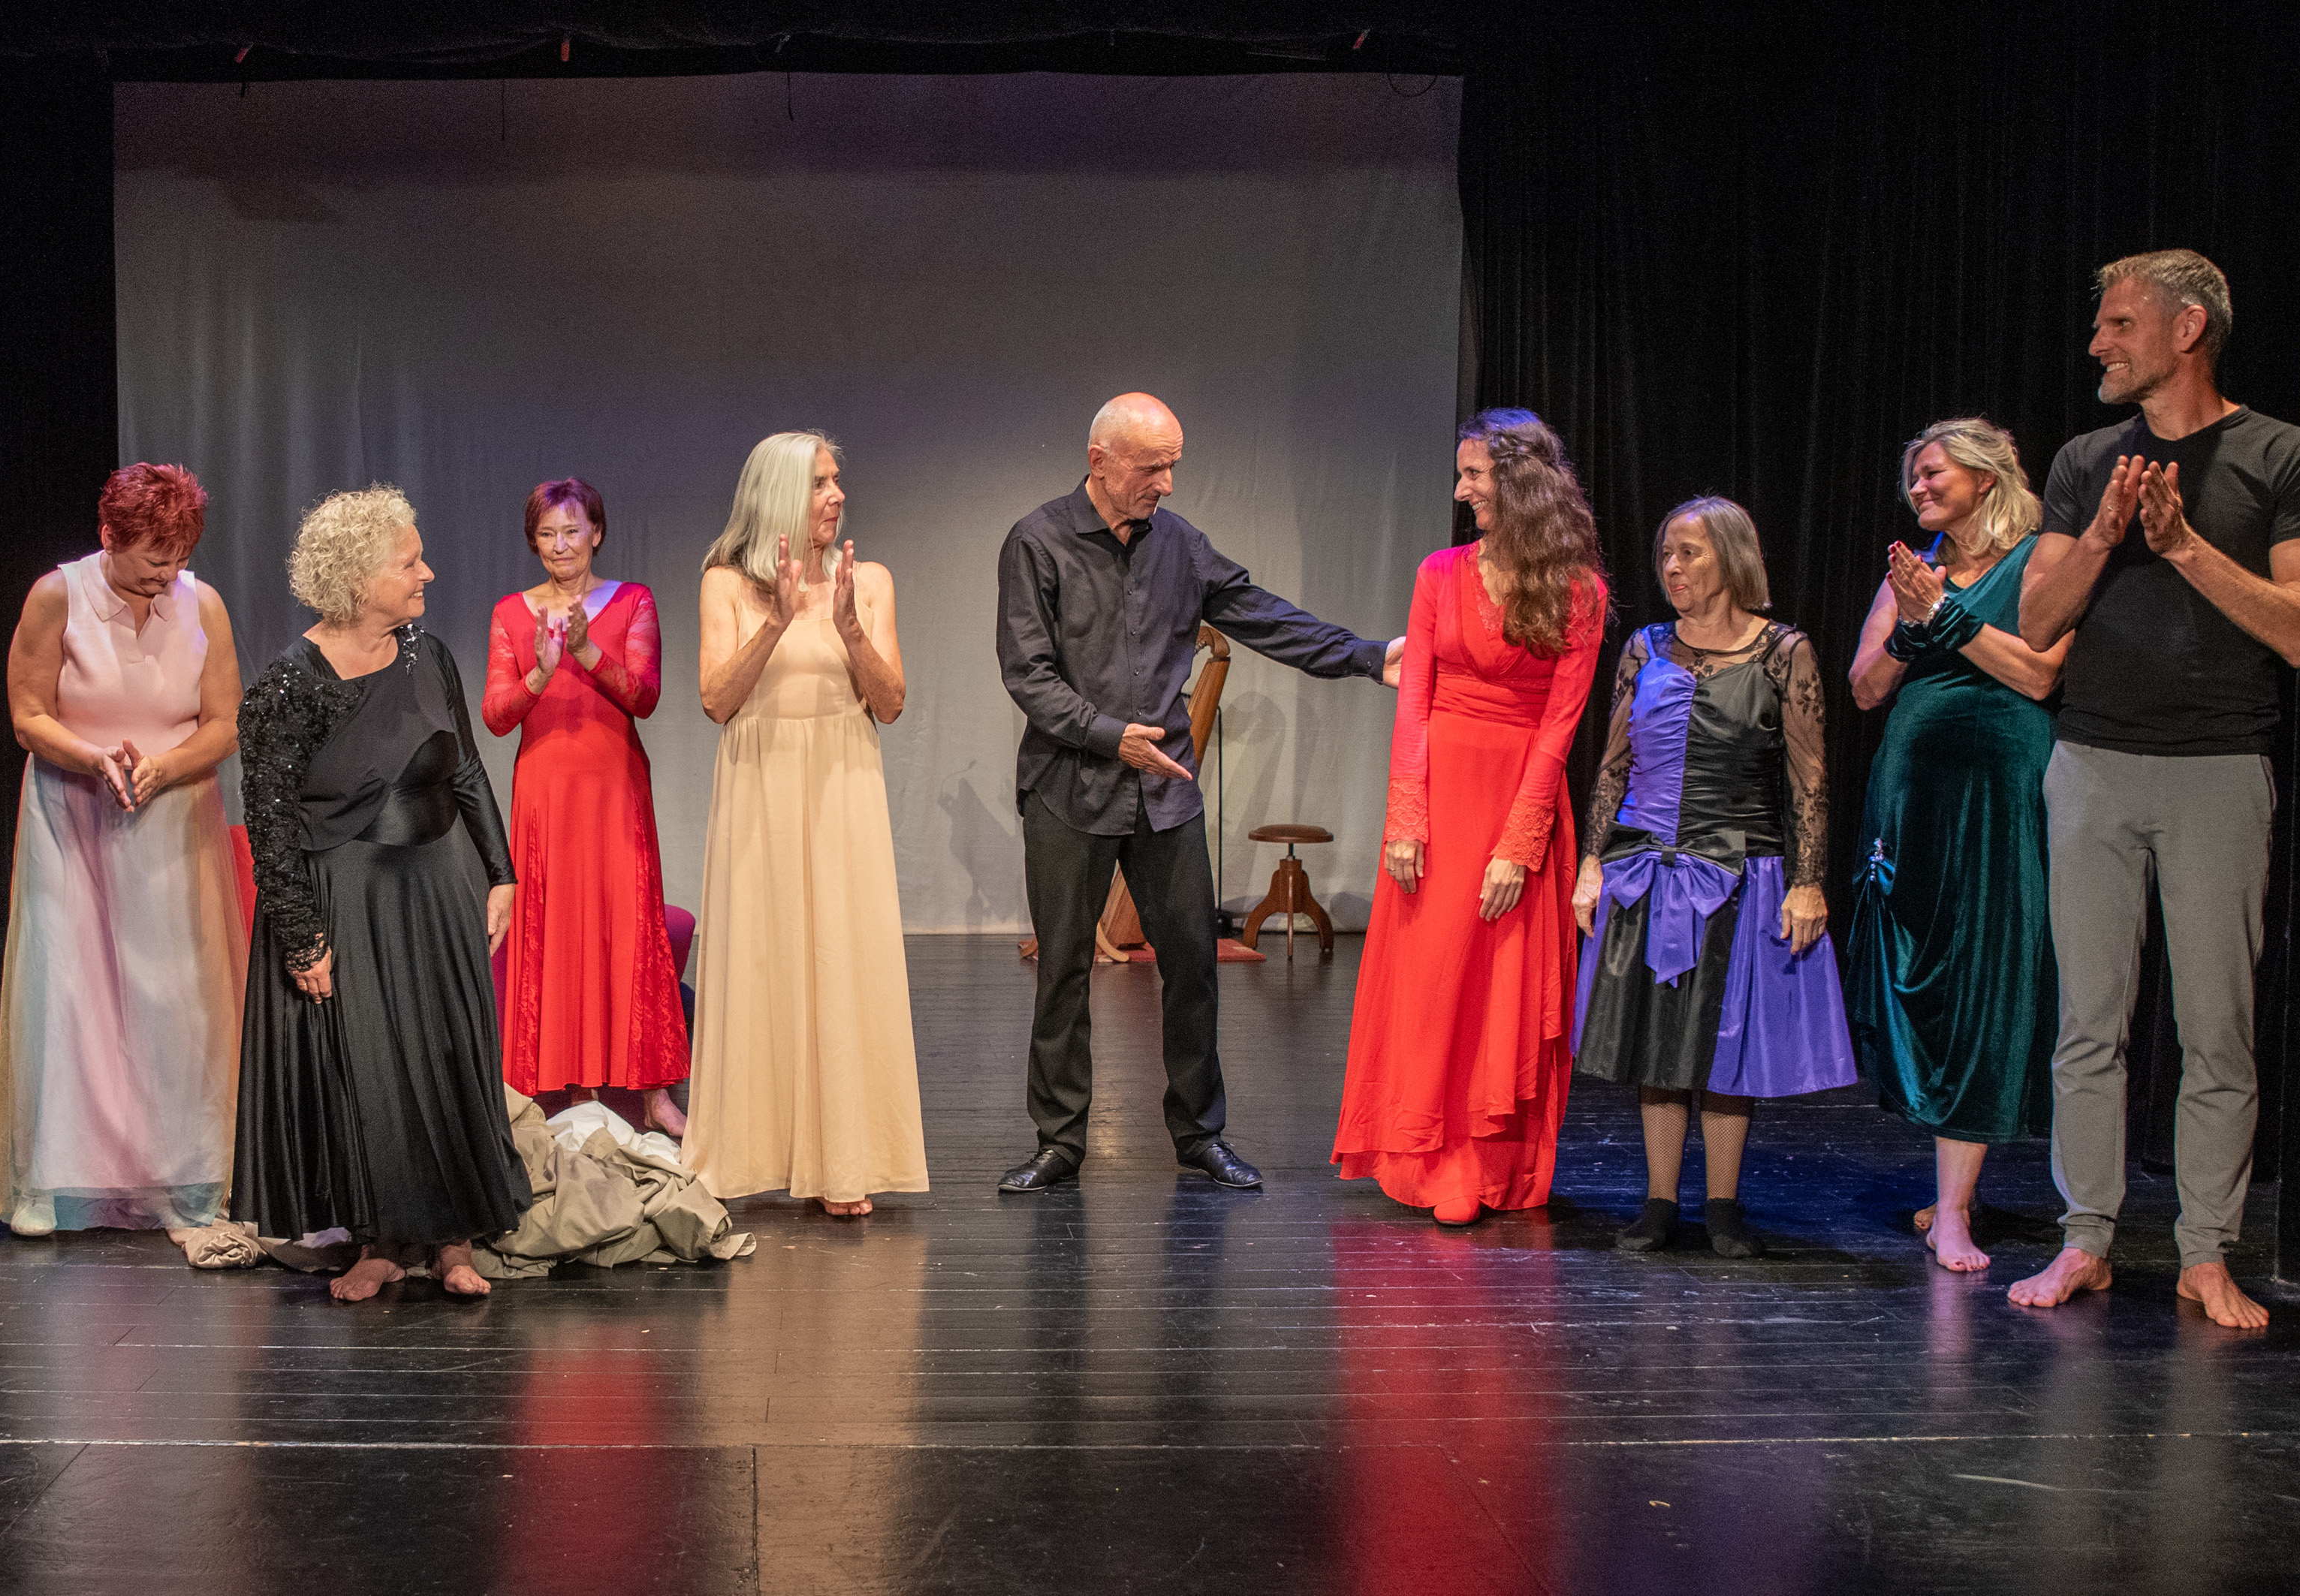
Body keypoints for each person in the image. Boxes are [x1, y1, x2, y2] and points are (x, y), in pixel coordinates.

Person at [2006, 250, 2300, 1329]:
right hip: (2091, 764)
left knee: (2216, 1029)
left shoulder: (2281, 455)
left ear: (2185, 328)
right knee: (2086, 1023)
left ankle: (2204, 1253)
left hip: (2219, 771)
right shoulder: (2084, 460)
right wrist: (2107, 532)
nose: (2095, 343)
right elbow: (2037, 622)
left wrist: (2182, 545)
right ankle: (2085, 1239)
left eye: (2116, 324)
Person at [996, 393, 1405, 1194]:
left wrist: (1364, 655)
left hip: (1165, 793)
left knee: (1191, 966)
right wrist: (1109, 734)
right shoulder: (1037, 541)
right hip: (1069, 786)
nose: (1167, 483)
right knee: (1064, 971)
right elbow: (1027, 673)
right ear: (1099, 462)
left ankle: (1199, 1133)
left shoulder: (1180, 545)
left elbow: (1259, 614)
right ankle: (1059, 1142)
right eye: (1152, 467)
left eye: (1173, 464)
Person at [233, 485, 529, 1301]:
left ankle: (454, 1239)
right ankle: (380, 1241)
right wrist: (302, 936)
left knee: (450, 1053)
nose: (426, 573)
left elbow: (465, 768)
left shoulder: (427, 655)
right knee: (369, 1069)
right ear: (359, 579)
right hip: (350, 894)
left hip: (439, 881)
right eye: (409, 563)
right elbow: (270, 824)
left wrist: (499, 870)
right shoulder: (288, 686)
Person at [1333, 408, 1607, 1225]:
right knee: (1430, 980)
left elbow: (1561, 725)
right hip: (1438, 799)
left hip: (1516, 798)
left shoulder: (1579, 592)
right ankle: (1422, 1151)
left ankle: (1485, 1160)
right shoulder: (1438, 573)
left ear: (1518, 482)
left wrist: (1519, 844)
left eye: (1473, 474)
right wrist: (1405, 818)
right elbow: (1413, 698)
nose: (1460, 491)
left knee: (1497, 985)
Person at [1572, 498, 1855, 1257]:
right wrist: (1592, 860)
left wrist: (1808, 879)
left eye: (1689, 553)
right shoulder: (1643, 647)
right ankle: (1659, 1201)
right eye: (1666, 553)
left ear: (1730, 558)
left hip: (1742, 872)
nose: (1671, 567)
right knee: (1657, 1047)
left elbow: (1809, 777)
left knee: (1728, 1048)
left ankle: (1723, 1205)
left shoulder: (1782, 650)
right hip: (1648, 871)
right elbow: (1613, 763)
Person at [0, 462, 246, 1236]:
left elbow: (224, 722)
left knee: (175, 996)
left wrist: (164, 767)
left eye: (178, 558)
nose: (165, 575)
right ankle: (55, 1178)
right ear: (109, 535)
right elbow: (28, 713)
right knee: (70, 990)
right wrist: (92, 758)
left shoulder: (202, 603)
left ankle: (181, 1170)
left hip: (173, 813)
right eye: (150, 560)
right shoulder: (57, 594)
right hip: (74, 810)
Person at [683, 431, 924, 1216]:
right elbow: (717, 701)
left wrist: (848, 627)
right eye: (819, 483)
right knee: (763, 957)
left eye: (836, 480)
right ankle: (750, 1153)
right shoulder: (726, 583)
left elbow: (889, 703)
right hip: (761, 786)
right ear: (778, 496)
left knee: (842, 958)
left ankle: (842, 1160)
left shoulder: (870, 581)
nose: (836, 495)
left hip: (842, 785)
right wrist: (778, 621)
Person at [1846, 419, 2066, 1272]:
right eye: (1913, 476)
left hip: (2002, 789)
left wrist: (1945, 615)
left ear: (1986, 477)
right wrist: (1911, 625)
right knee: (1928, 973)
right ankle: (1949, 1193)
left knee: (1987, 973)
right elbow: (1865, 687)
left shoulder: (2040, 560)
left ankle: (1953, 1209)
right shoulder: (1914, 571)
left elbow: (2038, 673)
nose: (1919, 487)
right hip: (1914, 791)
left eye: (1933, 472)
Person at [481, 477, 689, 1136]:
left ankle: (654, 1095)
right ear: (533, 542)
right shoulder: (511, 612)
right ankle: (568, 1090)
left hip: (613, 790)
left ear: (596, 533)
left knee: (628, 927)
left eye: (573, 530)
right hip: (545, 795)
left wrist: (585, 651)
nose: (561, 545)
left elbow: (644, 696)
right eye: (547, 534)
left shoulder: (632, 601)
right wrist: (541, 670)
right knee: (555, 930)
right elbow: (495, 715)